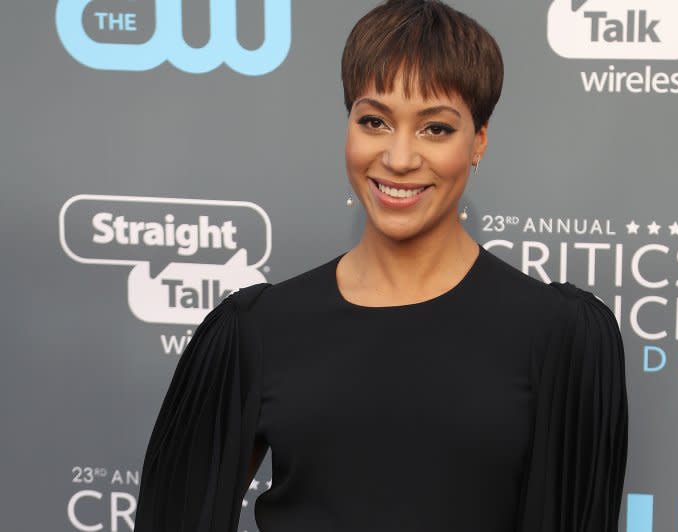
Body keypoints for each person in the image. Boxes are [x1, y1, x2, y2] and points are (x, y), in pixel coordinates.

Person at [133, 1, 628, 531]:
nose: (398, 157)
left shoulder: (560, 336)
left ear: (478, 141)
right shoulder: (256, 329)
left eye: (434, 129)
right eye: (374, 121)